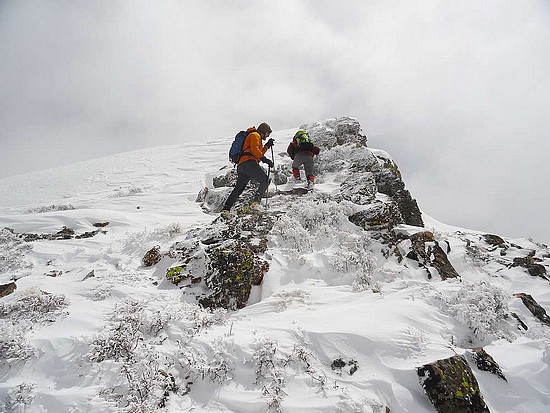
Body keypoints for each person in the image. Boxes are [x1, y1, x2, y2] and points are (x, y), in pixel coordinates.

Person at [222, 123, 274, 212]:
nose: (268, 135)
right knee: (265, 180)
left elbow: (257, 151)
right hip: (249, 162)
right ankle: (255, 203)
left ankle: (226, 208)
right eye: (267, 133)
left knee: (239, 188)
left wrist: (267, 146)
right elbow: (254, 150)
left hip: (242, 165)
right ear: (264, 131)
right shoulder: (255, 135)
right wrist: (265, 160)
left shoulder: (254, 136)